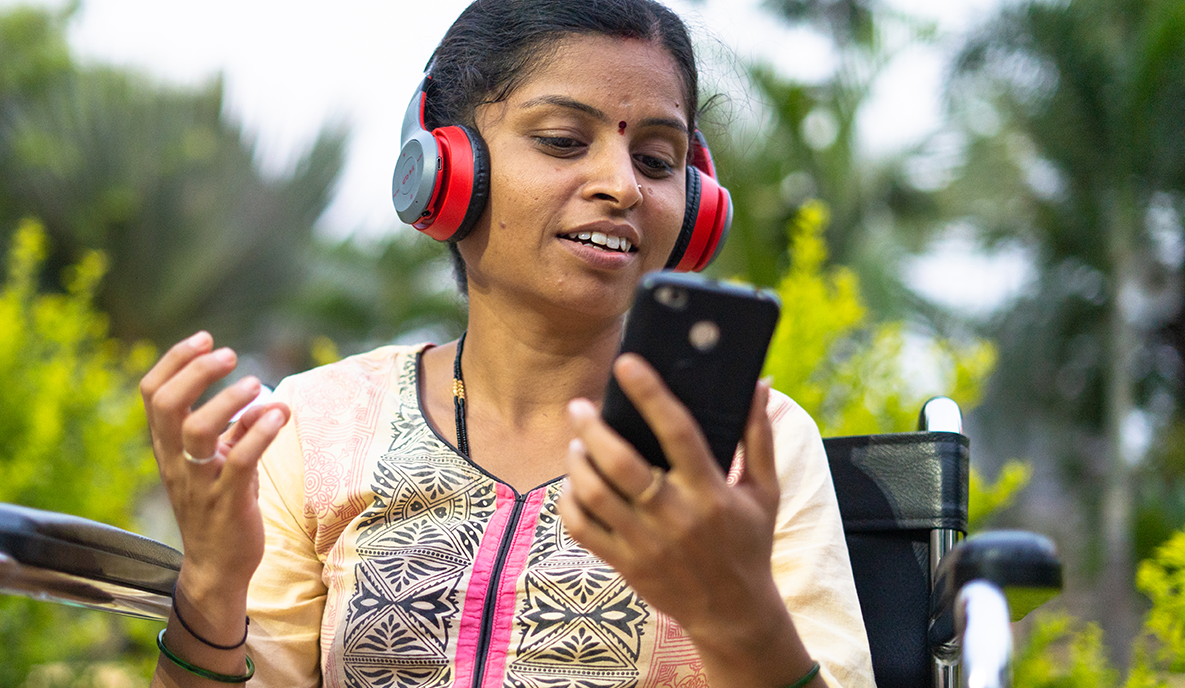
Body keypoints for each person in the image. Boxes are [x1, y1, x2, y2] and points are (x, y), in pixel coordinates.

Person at [140, 1, 873, 686]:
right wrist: (209, 583)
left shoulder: (755, 448)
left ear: (697, 206)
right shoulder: (314, 425)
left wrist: (739, 612)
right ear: (446, 169)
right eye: (562, 141)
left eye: (656, 160)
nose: (622, 185)